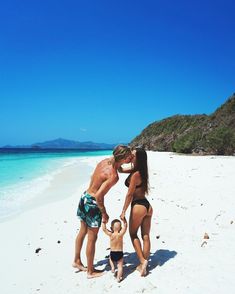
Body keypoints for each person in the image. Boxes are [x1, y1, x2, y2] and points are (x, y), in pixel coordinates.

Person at [73, 145, 133, 279]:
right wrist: (104, 213)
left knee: (82, 231)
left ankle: (76, 261)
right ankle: (90, 271)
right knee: (92, 238)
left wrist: (133, 168)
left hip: (84, 197)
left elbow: (118, 168)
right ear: (122, 157)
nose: (130, 158)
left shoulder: (105, 161)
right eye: (128, 156)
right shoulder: (114, 176)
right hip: (93, 204)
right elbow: (99, 196)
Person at [120, 148, 153, 277]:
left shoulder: (135, 175)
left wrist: (123, 211)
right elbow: (120, 169)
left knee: (133, 234)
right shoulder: (141, 171)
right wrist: (121, 159)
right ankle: (144, 264)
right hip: (147, 206)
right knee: (145, 235)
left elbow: (129, 195)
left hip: (138, 205)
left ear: (137, 158)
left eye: (132, 155)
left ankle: (142, 261)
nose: (130, 156)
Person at [102, 217, 127, 282]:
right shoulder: (120, 234)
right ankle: (118, 278)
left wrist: (104, 222)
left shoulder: (111, 234)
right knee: (120, 266)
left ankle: (112, 267)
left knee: (110, 258)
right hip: (119, 252)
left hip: (112, 252)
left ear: (111, 228)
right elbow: (125, 227)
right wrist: (124, 221)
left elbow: (104, 229)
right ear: (120, 228)